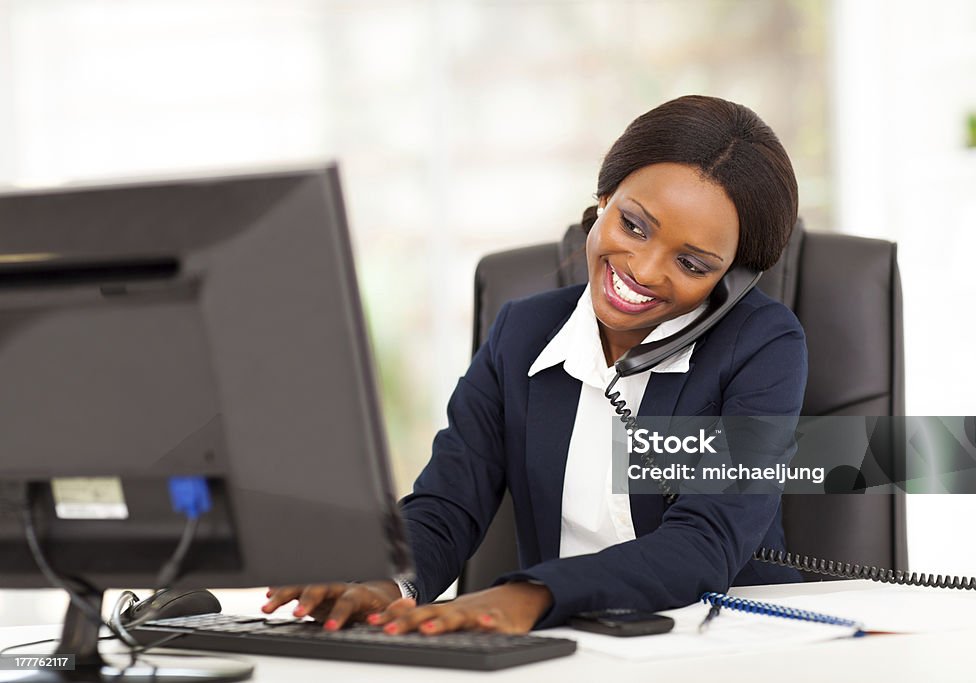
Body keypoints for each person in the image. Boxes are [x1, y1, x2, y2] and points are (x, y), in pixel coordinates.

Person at [263, 94, 807, 635]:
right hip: (568, 648)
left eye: (691, 263)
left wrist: (530, 595)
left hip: (726, 644)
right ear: (603, 198)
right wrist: (383, 580)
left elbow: (704, 543)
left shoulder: (763, 346)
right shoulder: (521, 334)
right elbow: (448, 502)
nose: (643, 269)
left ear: (733, 282)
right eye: (634, 225)